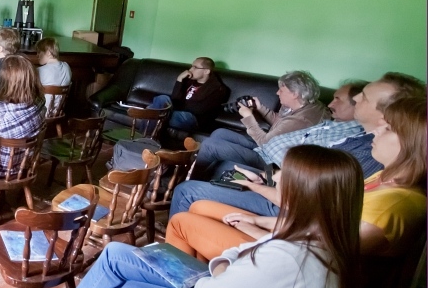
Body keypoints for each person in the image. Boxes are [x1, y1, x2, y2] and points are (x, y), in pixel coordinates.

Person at [30, 145, 362, 288]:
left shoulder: (292, 261)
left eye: (283, 180)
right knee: (116, 253)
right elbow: (243, 256)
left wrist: (213, 272)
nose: (277, 185)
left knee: (126, 287)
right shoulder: (326, 242)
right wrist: (225, 265)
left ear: (303, 197)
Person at [166, 96, 426, 262]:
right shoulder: (384, 178)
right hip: (288, 231)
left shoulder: (394, 205)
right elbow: (317, 220)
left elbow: (319, 249)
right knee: (200, 206)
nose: (377, 131)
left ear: (416, 144)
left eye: (389, 128)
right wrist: (259, 207)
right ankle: (196, 267)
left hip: (284, 261)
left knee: (183, 216)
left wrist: (258, 227)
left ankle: (176, 271)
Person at [169, 72, 426, 219]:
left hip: (283, 188)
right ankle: (196, 190)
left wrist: (250, 121)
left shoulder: (373, 149)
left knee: (193, 182)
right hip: (281, 177)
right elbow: (286, 131)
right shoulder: (351, 133)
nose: (357, 98)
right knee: (221, 141)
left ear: (388, 114)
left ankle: (182, 185)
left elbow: (315, 197)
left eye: (365, 97)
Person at [195, 70, 328, 169]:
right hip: (269, 148)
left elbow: (265, 142)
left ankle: (193, 178)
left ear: (294, 94)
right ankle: (210, 168)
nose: (277, 93)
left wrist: (248, 117)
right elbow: (280, 122)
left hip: (272, 161)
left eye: (281, 91)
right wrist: (260, 107)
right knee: (220, 133)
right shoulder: (303, 104)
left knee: (210, 146)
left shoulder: (303, 120)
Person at [147, 57, 229, 133]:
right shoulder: (189, 81)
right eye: (191, 66)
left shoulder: (218, 89)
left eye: (195, 67)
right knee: (162, 99)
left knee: (152, 113)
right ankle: (148, 137)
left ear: (206, 71)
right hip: (176, 111)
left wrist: (173, 108)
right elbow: (174, 98)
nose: (190, 70)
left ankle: (146, 137)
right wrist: (179, 80)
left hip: (193, 119)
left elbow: (199, 110)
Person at [35, 37, 71, 113]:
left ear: (48, 52)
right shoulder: (67, 66)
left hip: (41, 112)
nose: (37, 55)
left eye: (39, 52)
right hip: (58, 112)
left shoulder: (40, 70)